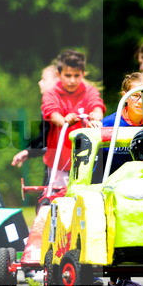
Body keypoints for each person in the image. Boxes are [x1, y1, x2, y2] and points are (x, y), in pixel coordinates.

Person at [41, 50, 105, 189]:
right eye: (68, 75)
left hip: (85, 162)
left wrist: (96, 116)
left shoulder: (89, 91)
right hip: (58, 162)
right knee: (55, 201)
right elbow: (52, 114)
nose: (72, 80)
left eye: (76, 75)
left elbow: (97, 106)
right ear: (59, 75)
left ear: (82, 74)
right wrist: (64, 121)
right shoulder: (51, 94)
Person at [11, 64, 58, 182]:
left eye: (44, 79)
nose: (40, 82)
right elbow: (45, 138)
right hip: (54, 164)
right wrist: (29, 151)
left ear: (57, 80)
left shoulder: (64, 104)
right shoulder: (47, 106)